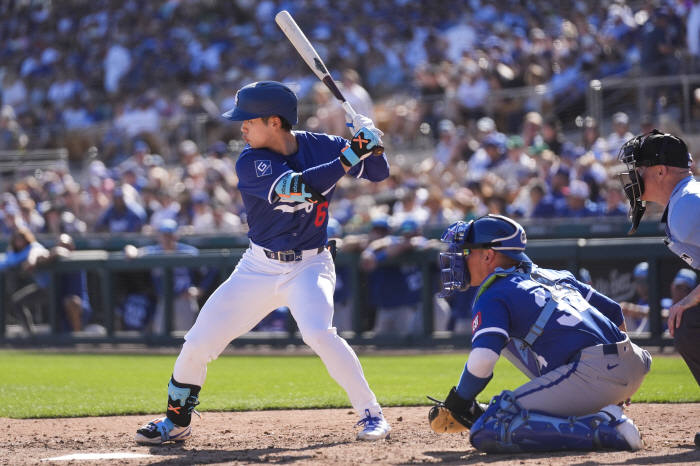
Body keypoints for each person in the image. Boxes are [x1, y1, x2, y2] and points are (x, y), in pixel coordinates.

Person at [134, 81, 391, 445]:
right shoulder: (249, 159)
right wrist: (353, 153)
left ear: (274, 121)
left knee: (319, 332)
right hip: (258, 267)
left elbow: (379, 173)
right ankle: (176, 422)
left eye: (248, 120)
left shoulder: (324, 145)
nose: (241, 127)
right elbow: (300, 188)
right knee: (197, 343)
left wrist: (371, 142)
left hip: (310, 265)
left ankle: (371, 414)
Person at [428, 214, 650, 453]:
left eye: (466, 251)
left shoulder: (495, 290)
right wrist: (620, 370)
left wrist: (459, 400)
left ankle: (608, 431)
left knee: (488, 428)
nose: (461, 257)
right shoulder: (553, 275)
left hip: (592, 374)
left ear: (488, 255)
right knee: (493, 411)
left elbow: (484, 359)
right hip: (634, 362)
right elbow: (615, 312)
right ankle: (604, 410)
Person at [618, 130, 700, 444]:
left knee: (689, 321)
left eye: (639, 168)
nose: (633, 176)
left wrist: (688, 300)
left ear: (661, 171)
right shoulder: (685, 200)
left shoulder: (687, 205)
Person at [124, 219, 215, 334]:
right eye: (164, 235)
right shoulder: (154, 252)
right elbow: (131, 250)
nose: (167, 239)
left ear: (176, 236)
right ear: (159, 236)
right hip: (164, 301)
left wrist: (200, 289)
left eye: (170, 235)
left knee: (186, 339)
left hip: (184, 300)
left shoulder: (187, 252)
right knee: (161, 337)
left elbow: (212, 268)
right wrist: (131, 250)